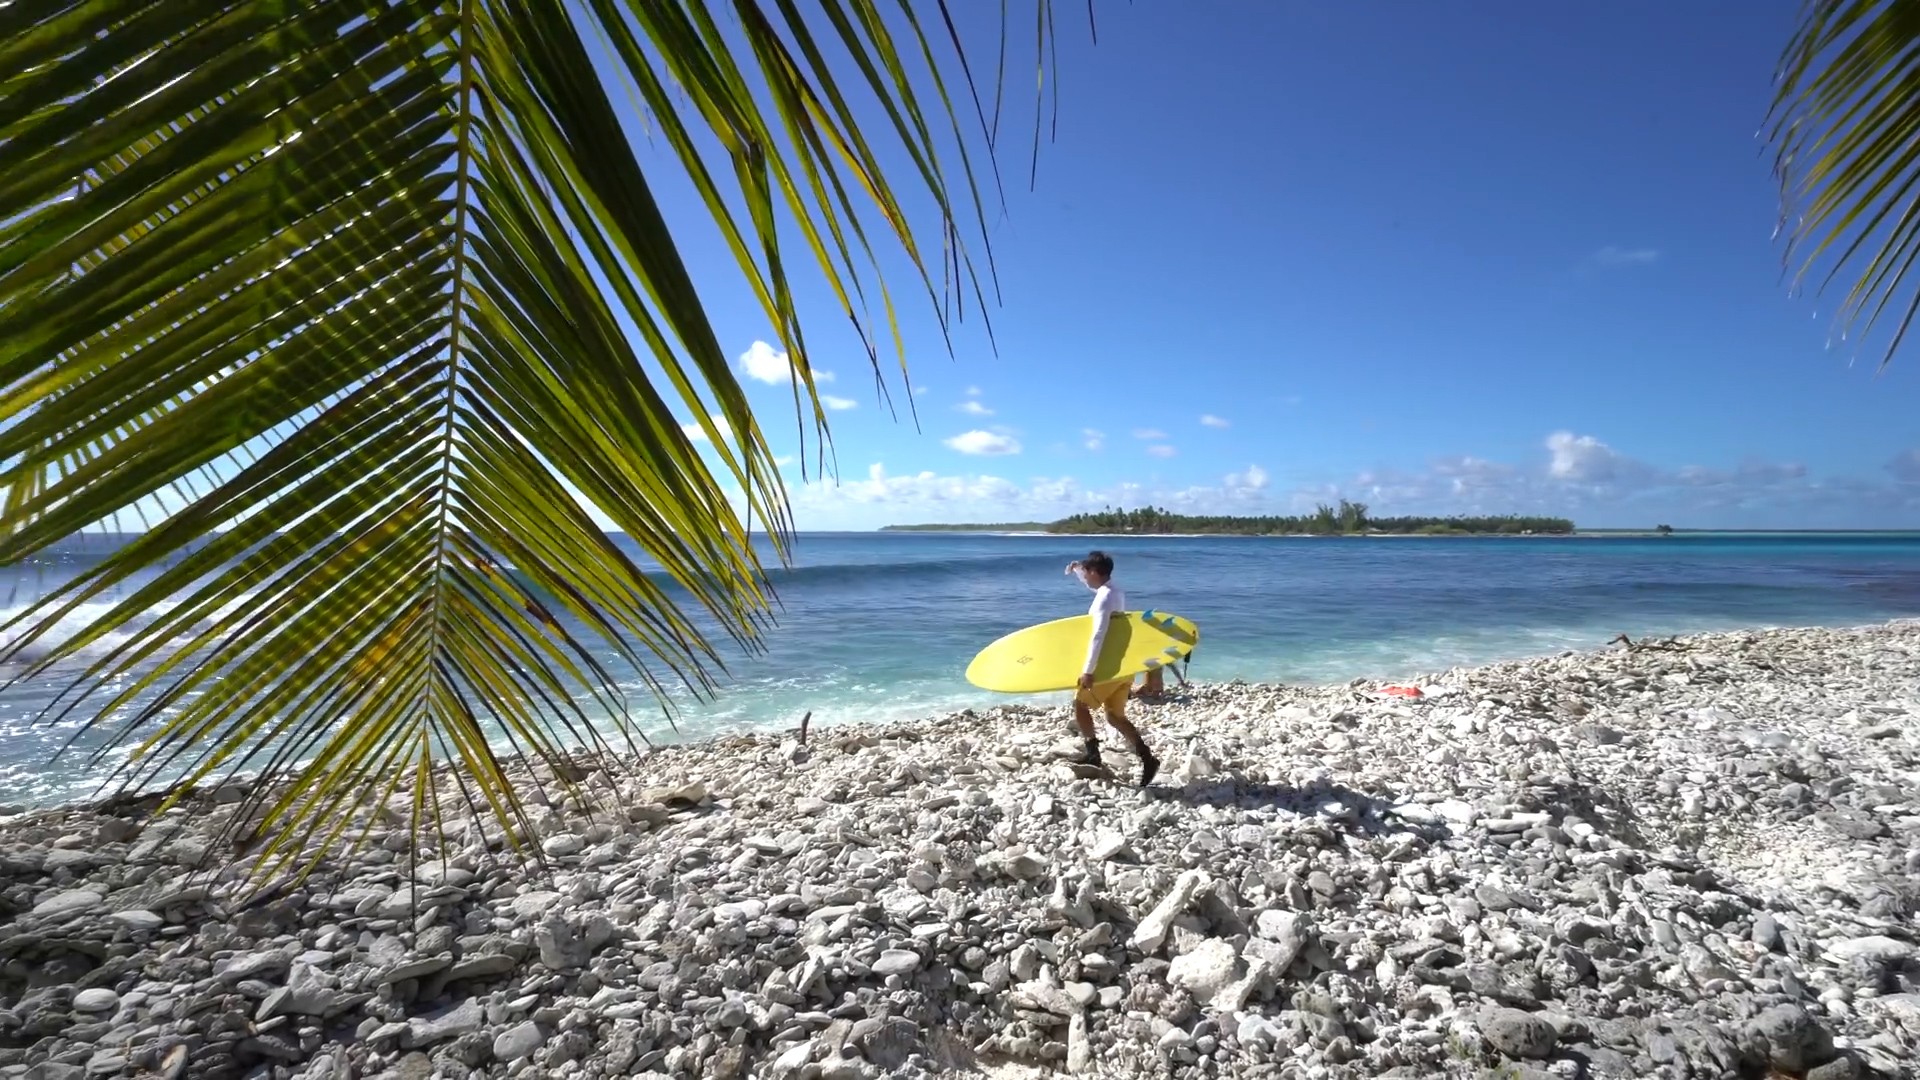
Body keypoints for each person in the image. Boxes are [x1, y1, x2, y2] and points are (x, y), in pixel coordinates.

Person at [1064, 551, 1160, 786]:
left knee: (1081, 704)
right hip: (1125, 666)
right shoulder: (1115, 592)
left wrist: (1088, 670)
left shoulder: (1103, 599)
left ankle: (1093, 754)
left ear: (1095, 572)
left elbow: (1098, 635)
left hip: (1107, 667)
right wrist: (1077, 569)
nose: (1085, 578)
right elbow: (1095, 590)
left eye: (1087, 573)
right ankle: (1147, 757)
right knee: (1115, 716)